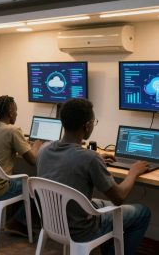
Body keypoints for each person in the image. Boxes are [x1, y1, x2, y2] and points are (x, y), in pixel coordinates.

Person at [37, 98, 151, 255]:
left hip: (52, 223)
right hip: (82, 230)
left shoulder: (44, 149)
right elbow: (119, 197)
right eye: (93, 121)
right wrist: (133, 172)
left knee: (105, 204)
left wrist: (95, 158)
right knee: (142, 212)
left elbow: (71, 161)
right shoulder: (89, 158)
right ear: (87, 125)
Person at [0, 95, 42, 236]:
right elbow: (32, 160)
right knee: (34, 185)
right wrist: (36, 146)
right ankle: (17, 222)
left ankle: (15, 218)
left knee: (20, 179)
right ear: (11, 113)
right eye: (16, 111)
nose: (17, 114)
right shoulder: (12, 130)